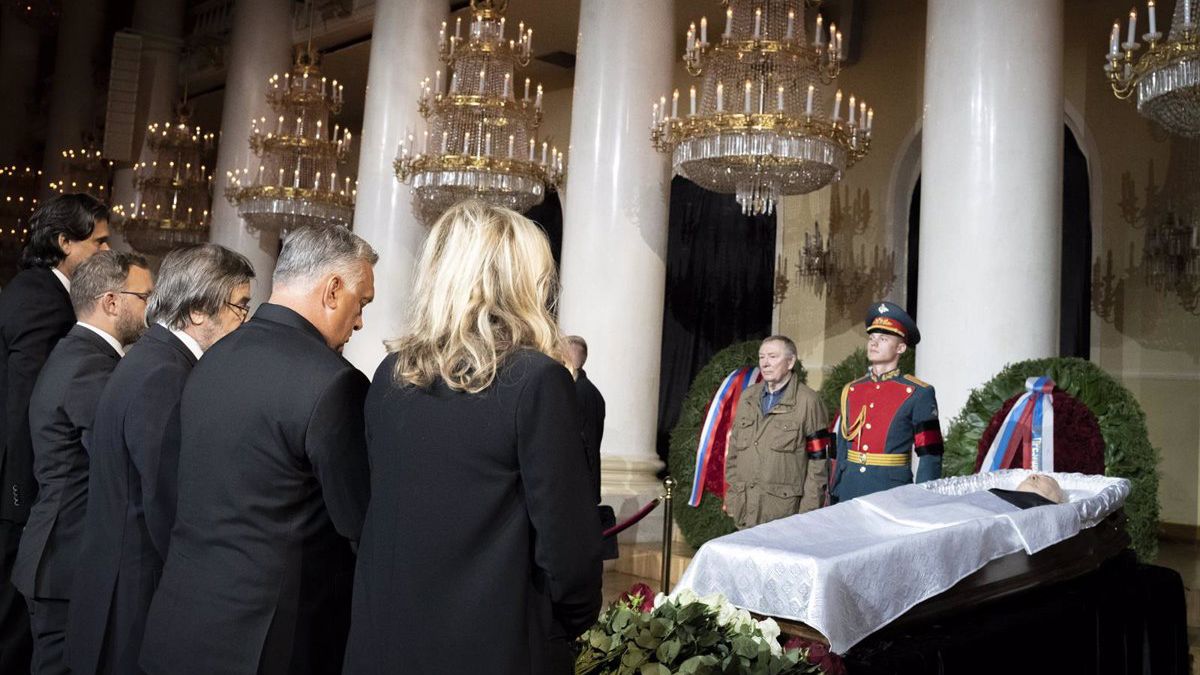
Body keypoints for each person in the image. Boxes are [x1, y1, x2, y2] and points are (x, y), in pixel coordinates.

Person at [342, 201, 603, 675]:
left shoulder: (391, 373)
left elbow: (372, 512)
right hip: (492, 644)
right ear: (521, 281)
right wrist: (566, 622)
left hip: (388, 637)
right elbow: (568, 547)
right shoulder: (536, 380)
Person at [139, 227, 375, 675]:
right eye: (361, 302)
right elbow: (359, 522)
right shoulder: (335, 382)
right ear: (332, 289)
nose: (360, 320)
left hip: (179, 625)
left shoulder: (212, 358)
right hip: (267, 644)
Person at [66, 244, 254, 675]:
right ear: (198, 311)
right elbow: (165, 501)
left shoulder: (154, 357)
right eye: (240, 306)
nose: (246, 321)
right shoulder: (165, 374)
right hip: (132, 596)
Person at [11, 250, 151, 675]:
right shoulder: (90, 367)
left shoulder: (78, 354)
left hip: (59, 556)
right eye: (145, 296)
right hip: (64, 562)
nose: (152, 308)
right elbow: (118, 462)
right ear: (111, 302)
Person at [0, 193, 110, 671]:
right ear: (65, 241)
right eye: (99, 242)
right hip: (15, 494)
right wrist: (26, 494)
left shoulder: (35, 289)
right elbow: (28, 408)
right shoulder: (45, 298)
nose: (106, 252)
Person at [829, 301, 943, 504]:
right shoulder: (853, 390)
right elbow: (842, 447)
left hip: (891, 491)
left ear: (900, 347)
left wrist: (924, 500)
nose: (874, 343)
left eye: (883, 338)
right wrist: (835, 489)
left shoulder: (918, 393)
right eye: (871, 337)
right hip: (849, 488)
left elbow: (930, 454)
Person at [724, 335, 831, 528]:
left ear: (790, 362)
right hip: (745, 511)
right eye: (762, 357)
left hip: (784, 515)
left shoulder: (809, 402)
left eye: (772, 357)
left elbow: (819, 464)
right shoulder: (748, 398)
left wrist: (806, 515)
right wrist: (733, 497)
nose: (765, 363)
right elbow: (733, 453)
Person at [564, 335, 605, 501]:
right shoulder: (592, 392)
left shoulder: (576, 393)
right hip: (583, 484)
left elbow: (581, 442)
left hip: (577, 487)